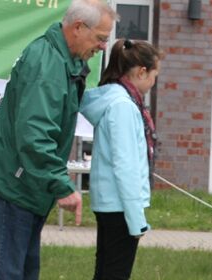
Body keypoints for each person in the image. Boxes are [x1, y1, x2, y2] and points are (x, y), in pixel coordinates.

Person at [0, 0, 116, 279]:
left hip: (25, 187)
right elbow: (35, 135)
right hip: (12, 186)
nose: (102, 47)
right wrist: (61, 185)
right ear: (78, 27)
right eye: (100, 38)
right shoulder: (47, 65)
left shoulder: (63, 60)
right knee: (5, 274)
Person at [79, 39, 162, 280]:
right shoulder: (123, 106)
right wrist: (137, 220)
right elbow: (125, 165)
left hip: (111, 204)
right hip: (120, 207)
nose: (155, 82)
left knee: (106, 271)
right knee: (115, 273)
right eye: (155, 75)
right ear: (141, 72)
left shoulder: (116, 100)